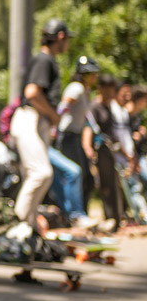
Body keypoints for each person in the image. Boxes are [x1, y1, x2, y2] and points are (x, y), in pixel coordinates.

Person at [9, 19, 72, 231]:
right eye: (67, 39)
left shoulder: (47, 60)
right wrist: (54, 116)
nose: (67, 43)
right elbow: (32, 93)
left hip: (35, 122)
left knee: (34, 177)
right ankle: (15, 226)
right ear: (60, 37)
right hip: (30, 119)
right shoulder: (44, 60)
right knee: (41, 173)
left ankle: (28, 230)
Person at [56, 56, 101, 219]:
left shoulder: (85, 90)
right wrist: (54, 126)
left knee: (85, 176)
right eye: (92, 74)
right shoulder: (76, 88)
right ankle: (73, 214)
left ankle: (81, 213)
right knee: (74, 174)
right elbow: (63, 107)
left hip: (76, 136)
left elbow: (86, 116)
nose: (95, 77)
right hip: (67, 136)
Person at [82, 73, 124, 232]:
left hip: (111, 150)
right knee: (105, 185)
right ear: (99, 89)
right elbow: (88, 128)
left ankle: (116, 220)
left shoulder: (111, 107)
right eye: (106, 89)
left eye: (111, 90)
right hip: (100, 150)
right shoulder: (94, 107)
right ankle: (109, 219)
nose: (109, 93)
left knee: (114, 184)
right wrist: (88, 148)